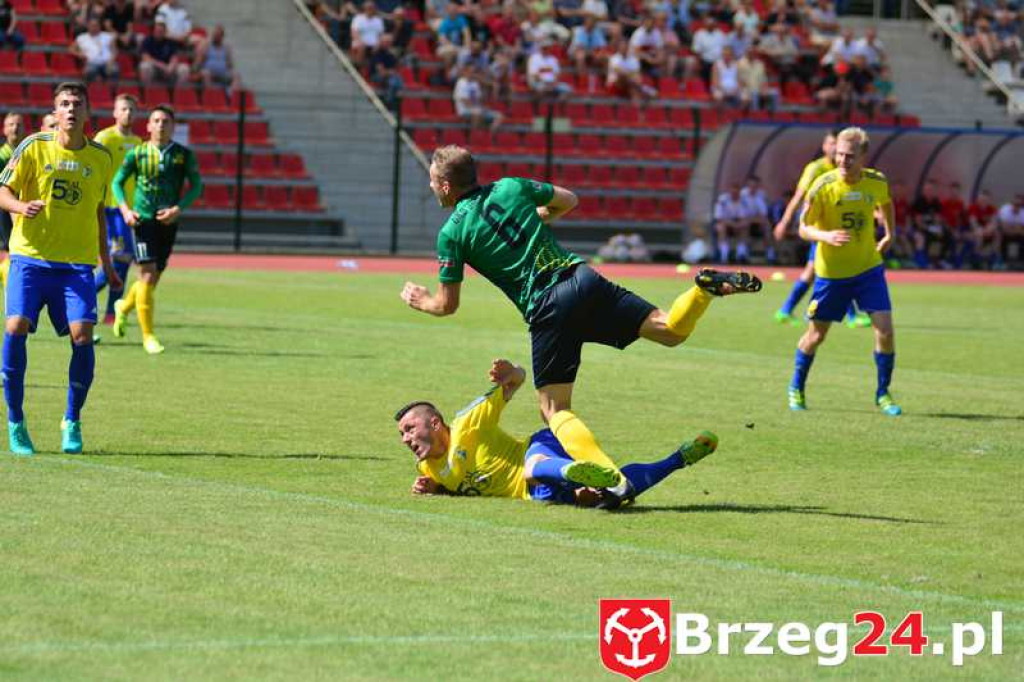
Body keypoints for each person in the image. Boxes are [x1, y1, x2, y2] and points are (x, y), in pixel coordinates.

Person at [399, 145, 761, 507]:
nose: (432, 188)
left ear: (446, 186)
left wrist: (422, 301)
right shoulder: (510, 186)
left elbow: (447, 305)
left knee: (554, 410)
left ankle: (613, 479)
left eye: (432, 182)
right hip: (582, 278)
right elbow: (569, 200)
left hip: (547, 305)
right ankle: (701, 292)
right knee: (670, 330)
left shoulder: (452, 233)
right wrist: (537, 216)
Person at [399, 358, 719, 507]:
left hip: (540, 448)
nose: (406, 439)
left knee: (531, 468)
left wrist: (511, 373)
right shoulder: (428, 469)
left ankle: (573, 470)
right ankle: (680, 458)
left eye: (410, 429)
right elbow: (458, 484)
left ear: (436, 423)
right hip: (539, 492)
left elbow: (518, 378)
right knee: (615, 497)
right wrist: (436, 491)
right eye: (402, 435)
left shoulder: (469, 423)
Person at [0, 81, 120, 455]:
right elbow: (2, 190)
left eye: (77, 104)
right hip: (30, 257)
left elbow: (99, 213)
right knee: (16, 325)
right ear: (55, 111)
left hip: (76, 265)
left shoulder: (100, 157)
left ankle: (72, 419)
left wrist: (107, 262)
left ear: (87, 112)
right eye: (64, 103)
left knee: (83, 335)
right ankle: (16, 421)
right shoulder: (34, 146)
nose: (70, 109)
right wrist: (20, 207)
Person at [788, 127, 901, 417]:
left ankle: (883, 393)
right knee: (816, 336)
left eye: (849, 156)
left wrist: (890, 233)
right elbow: (802, 228)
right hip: (832, 275)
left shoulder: (876, 181)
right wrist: (824, 237)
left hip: (868, 269)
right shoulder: (822, 186)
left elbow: (886, 204)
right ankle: (796, 387)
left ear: (864, 155)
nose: (842, 160)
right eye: (839, 154)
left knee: (886, 332)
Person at [111, 105, 202, 354]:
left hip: (169, 222)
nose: (161, 125)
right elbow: (117, 182)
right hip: (143, 221)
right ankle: (148, 336)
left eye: (165, 121)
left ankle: (123, 307)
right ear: (148, 126)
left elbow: (196, 186)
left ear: (173, 126)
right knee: (148, 275)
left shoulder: (183, 155)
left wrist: (178, 209)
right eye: (156, 120)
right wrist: (126, 211)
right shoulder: (138, 153)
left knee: (151, 280)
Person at [772, 130, 868, 328]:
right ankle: (850, 315)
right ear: (825, 146)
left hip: (838, 226)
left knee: (812, 272)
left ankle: (786, 310)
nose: (835, 148)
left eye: (837, 144)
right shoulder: (816, 169)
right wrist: (785, 221)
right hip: (820, 228)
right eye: (831, 143)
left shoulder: (849, 169)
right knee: (839, 268)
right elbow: (799, 197)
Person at [93, 94, 142, 325]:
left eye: (132, 110)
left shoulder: (139, 143)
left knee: (122, 259)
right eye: (124, 109)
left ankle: (111, 313)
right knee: (119, 258)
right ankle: (86, 297)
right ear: (115, 113)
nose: (128, 113)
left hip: (129, 210)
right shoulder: (105, 137)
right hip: (110, 208)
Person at [0, 111, 26, 288]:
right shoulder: (2, 156)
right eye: (11, 124)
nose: (15, 127)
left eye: (18, 124)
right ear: (4, 130)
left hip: (22, 208)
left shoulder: (28, 154)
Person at [69, 18, 119, 82]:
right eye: (92, 25)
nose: (94, 27)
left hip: (107, 62)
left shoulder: (107, 36)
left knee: (114, 70)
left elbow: (115, 50)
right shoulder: (82, 38)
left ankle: (112, 91)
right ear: (88, 26)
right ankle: (89, 90)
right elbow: (71, 49)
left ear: (99, 26)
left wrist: (111, 61)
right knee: (89, 71)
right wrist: (79, 54)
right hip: (91, 63)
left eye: (96, 25)